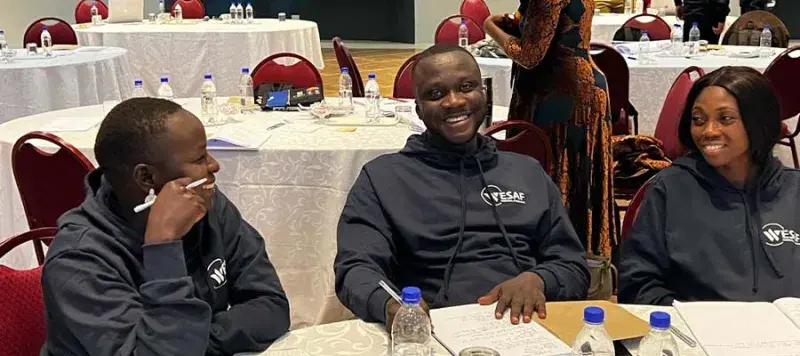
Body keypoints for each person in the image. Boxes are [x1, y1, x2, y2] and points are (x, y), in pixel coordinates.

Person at [334, 44, 589, 330]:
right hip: (431, 329)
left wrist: (540, 280)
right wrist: (390, 304)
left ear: (484, 93)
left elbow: (573, 265)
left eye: (466, 86)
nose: (454, 101)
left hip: (527, 325)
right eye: (435, 94)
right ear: (417, 108)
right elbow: (356, 271)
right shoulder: (381, 178)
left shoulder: (527, 171)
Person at [41, 98, 290, 355]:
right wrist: (163, 248)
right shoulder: (78, 261)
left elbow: (271, 308)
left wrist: (195, 341)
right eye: (199, 158)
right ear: (147, 177)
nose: (214, 165)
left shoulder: (207, 205)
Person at [619, 66, 794, 305]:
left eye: (725, 119)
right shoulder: (669, 190)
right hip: (695, 336)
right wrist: (685, 319)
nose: (709, 131)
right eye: (698, 120)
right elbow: (637, 284)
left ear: (758, 122)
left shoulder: (795, 191)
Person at [482, 0, 615, 258]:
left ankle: (560, 258)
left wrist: (490, 27)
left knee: (554, 175)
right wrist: (515, 21)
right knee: (571, 178)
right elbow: (557, 25)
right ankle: (576, 256)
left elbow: (529, 55)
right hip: (571, 87)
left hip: (562, 97)